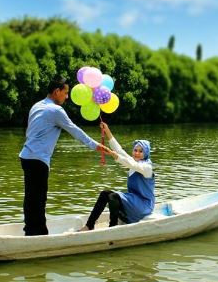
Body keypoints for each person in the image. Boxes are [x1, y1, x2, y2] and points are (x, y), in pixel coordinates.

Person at [19, 76, 110, 236]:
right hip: (38, 159)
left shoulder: (37, 105)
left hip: (26, 157)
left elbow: (29, 132)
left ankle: (30, 230)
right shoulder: (55, 110)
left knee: (31, 198)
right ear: (56, 91)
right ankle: (38, 235)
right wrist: (96, 146)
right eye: (65, 93)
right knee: (39, 200)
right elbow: (75, 131)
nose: (67, 97)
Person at [81, 122, 155, 230]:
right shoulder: (134, 160)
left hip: (144, 205)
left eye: (141, 151)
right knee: (105, 193)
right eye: (135, 150)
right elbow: (119, 150)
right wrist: (107, 130)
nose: (137, 153)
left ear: (146, 153)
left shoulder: (147, 167)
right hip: (133, 201)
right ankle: (89, 225)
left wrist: (114, 155)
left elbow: (131, 164)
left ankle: (113, 227)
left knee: (113, 196)